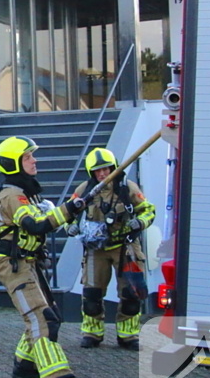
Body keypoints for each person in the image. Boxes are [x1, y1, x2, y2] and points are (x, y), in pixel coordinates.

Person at [0, 136, 88, 378]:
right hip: (13, 264)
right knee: (41, 318)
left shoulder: (24, 193)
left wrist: (69, 210)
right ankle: (56, 377)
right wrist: (69, 209)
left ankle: (25, 366)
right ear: (13, 164)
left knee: (48, 314)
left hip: (27, 261)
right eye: (27, 157)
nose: (34, 161)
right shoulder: (12, 196)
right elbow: (36, 224)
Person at [67, 148, 156, 351]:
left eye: (105, 169)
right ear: (91, 173)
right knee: (91, 294)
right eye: (97, 171)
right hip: (95, 249)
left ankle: (128, 335)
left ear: (113, 167)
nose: (102, 174)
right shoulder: (84, 190)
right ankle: (92, 333)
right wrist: (70, 227)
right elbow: (68, 211)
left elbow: (149, 210)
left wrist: (139, 223)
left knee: (131, 293)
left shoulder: (127, 187)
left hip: (126, 247)